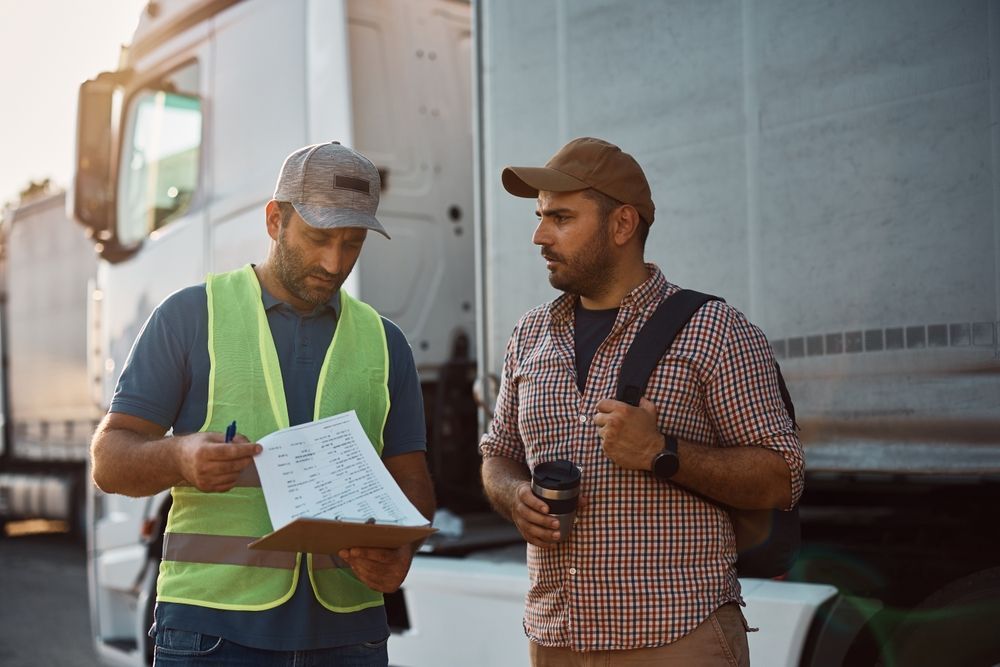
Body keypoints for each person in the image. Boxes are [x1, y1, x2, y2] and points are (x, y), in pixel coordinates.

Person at [90, 141, 435, 666]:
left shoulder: (386, 343)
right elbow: (109, 460)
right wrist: (179, 457)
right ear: (275, 220)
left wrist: (401, 550)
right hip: (211, 631)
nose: (333, 261)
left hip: (349, 635)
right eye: (319, 237)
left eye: (352, 243)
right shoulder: (189, 317)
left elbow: (410, 476)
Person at [479, 137, 805, 666]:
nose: (539, 235)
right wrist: (514, 494)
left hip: (676, 639)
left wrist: (661, 451)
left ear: (622, 225)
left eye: (560, 218)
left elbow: (782, 475)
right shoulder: (529, 334)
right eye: (540, 217)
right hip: (555, 638)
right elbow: (498, 453)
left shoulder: (716, 330)